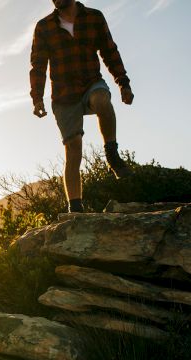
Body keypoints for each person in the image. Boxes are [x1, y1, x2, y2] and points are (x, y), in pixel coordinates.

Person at [30, 0, 134, 213]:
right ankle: (75, 207)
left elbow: (109, 50)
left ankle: (112, 153)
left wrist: (122, 82)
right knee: (73, 147)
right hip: (64, 95)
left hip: (90, 83)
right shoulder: (44, 27)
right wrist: (37, 97)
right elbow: (38, 65)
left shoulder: (94, 17)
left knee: (102, 100)